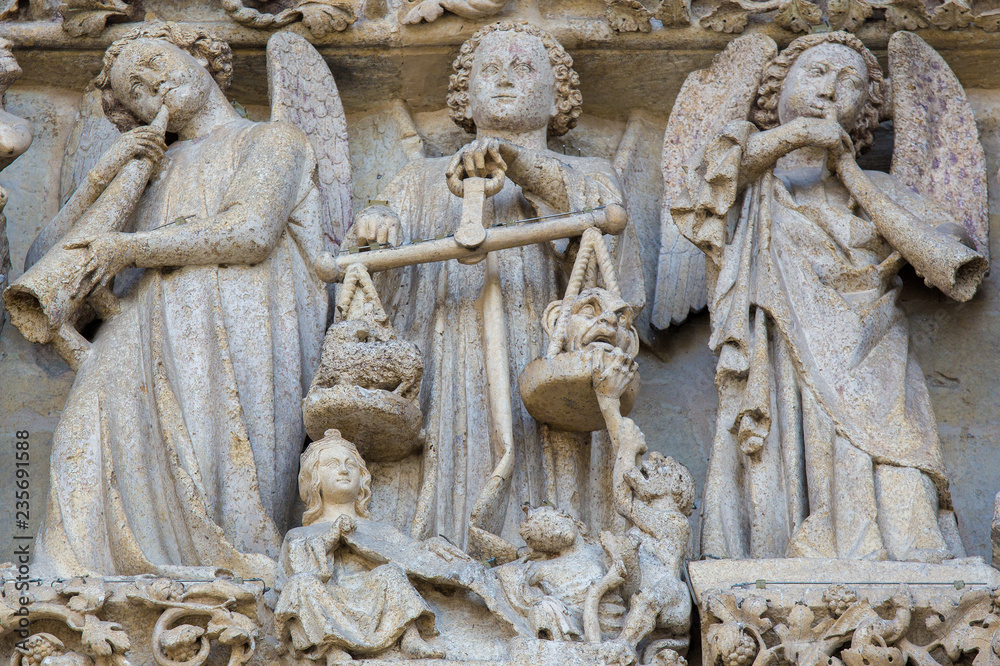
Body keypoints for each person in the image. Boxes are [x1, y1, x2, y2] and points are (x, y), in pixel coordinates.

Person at [30, 22, 328, 578]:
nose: (152, 82)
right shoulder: (146, 174)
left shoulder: (271, 139)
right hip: (136, 337)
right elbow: (45, 269)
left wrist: (131, 248)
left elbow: (250, 232)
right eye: (135, 88)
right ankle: (81, 581)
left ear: (202, 57)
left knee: (221, 460)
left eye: (156, 61)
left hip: (235, 323)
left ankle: (232, 573)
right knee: (87, 453)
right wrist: (99, 181)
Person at [674, 32, 981, 562]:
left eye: (850, 85)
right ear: (776, 89)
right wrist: (793, 137)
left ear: (865, 113)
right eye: (816, 73)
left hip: (874, 344)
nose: (830, 91)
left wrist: (851, 175)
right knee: (799, 434)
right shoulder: (751, 179)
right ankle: (799, 540)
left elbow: (951, 265)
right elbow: (708, 189)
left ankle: (896, 548)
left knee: (896, 446)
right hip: (781, 342)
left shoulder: (880, 190)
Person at [352, 21, 628, 547]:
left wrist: (518, 161)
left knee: (550, 440)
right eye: (490, 70)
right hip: (450, 342)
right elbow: (370, 279)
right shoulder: (419, 179)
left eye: (524, 69)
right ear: (465, 93)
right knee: (458, 443)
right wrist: (376, 226)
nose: (505, 80)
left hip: (545, 339)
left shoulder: (589, 170)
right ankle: (451, 552)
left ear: (557, 100)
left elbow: (606, 245)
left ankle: (559, 555)